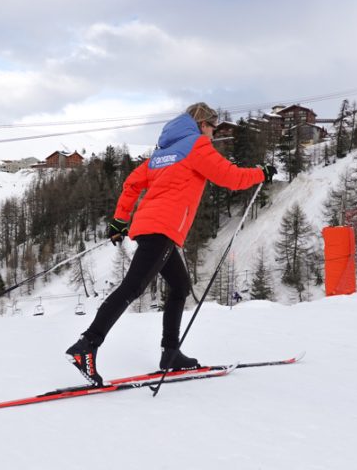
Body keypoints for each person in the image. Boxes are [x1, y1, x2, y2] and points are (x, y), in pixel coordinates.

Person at [65, 102, 277, 386]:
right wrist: (261, 173)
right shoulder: (197, 146)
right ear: (202, 124)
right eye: (213, 126)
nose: (214, 132)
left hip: (149, 226)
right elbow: (230, 178)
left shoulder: (162, 153)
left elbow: (132, 183)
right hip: (163, 229)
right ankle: (86, 346)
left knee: (179, 287)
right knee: (133, 287)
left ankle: (171, 353)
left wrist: (119, 221)